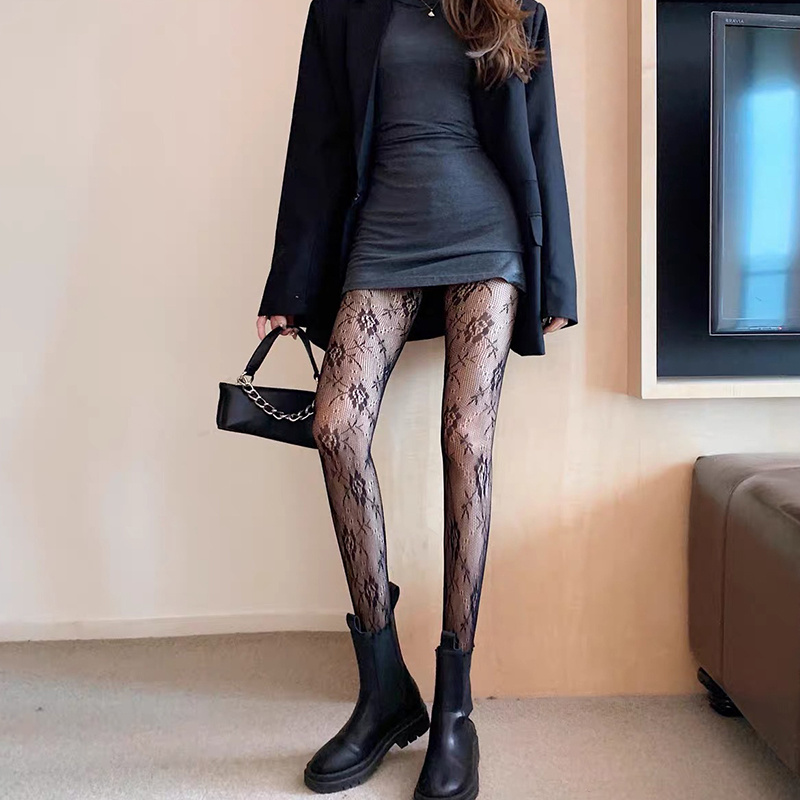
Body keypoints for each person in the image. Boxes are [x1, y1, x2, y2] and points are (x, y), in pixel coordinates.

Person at [254, 0, 577, 797]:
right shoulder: (342, 11)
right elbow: (316, 142)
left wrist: (557, 279)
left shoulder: (512, 8)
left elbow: (540, 136)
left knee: (467, 439)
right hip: (384, 235)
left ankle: (455, 709)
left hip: (486, 234)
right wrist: (290, 285)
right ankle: (385, 691)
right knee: (336, 427)